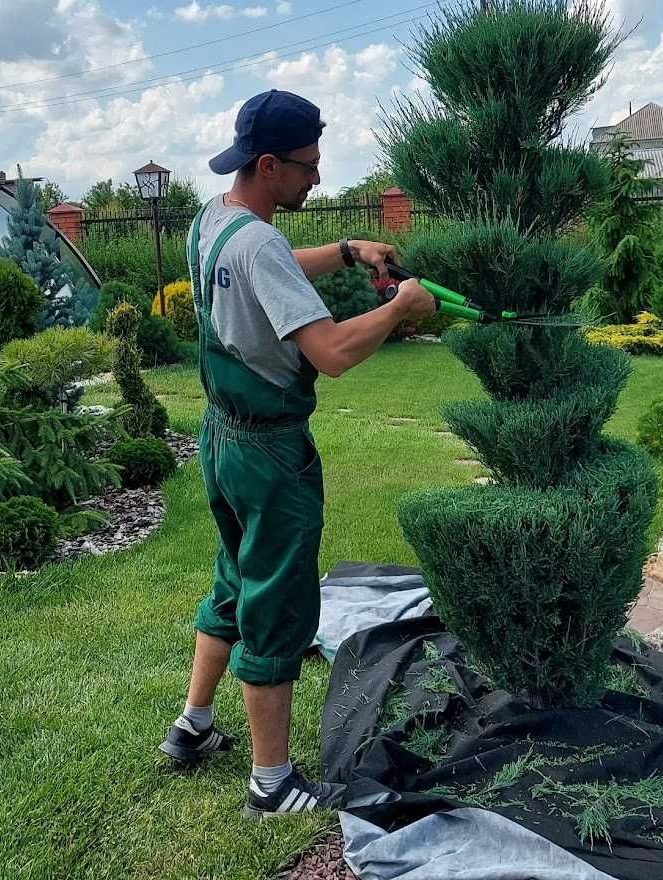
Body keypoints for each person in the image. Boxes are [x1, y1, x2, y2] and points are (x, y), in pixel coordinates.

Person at [158, 89, 436, 819]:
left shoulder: (214, 222)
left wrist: (347, 251)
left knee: (233, 579)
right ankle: (271, 783)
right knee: (277, 602)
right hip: (270, 454)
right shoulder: (257, 241)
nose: (317, 178)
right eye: (308, 167)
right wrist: (400, 308)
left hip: (221, 438)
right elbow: (335, 352)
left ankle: (192, 726)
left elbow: (268, 265)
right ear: (270, 163)